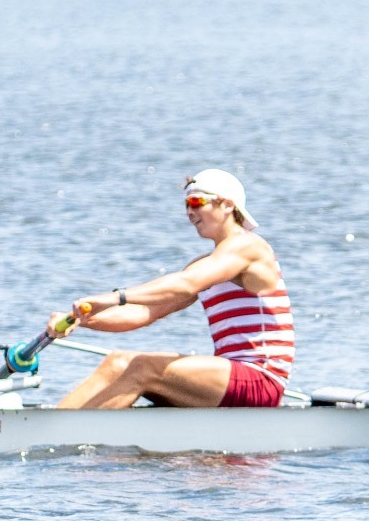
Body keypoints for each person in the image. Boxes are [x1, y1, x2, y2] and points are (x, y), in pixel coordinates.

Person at [50, 169, 294, 409]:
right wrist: (78, 318)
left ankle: (64, 432)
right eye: (187, 204)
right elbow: (144, 313)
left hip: (261, 379)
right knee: (115, 362)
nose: (190, 211)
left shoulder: (249, 246)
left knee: (139, 366)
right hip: (230, 377)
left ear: (228, 205)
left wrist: (115, 297)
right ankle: (54, 426)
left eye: (197, 202)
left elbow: (185, 283)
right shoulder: (205, 266)